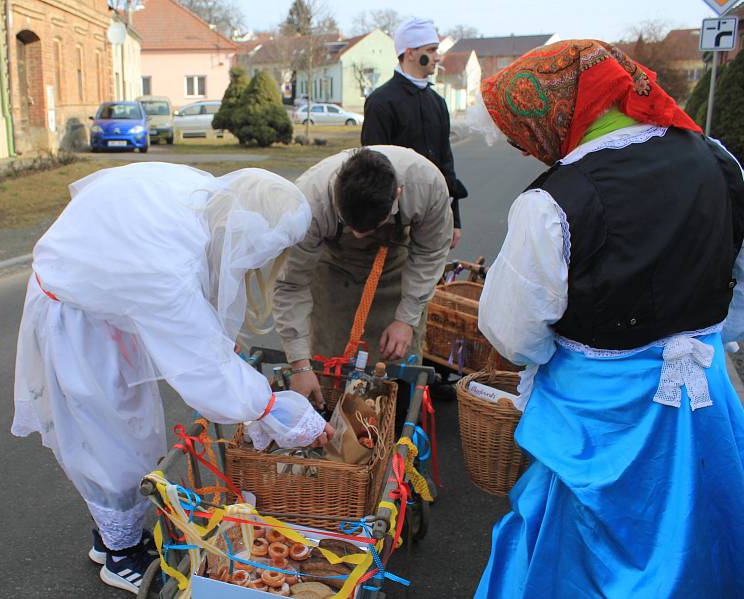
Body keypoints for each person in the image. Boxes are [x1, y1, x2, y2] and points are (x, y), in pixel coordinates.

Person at [472, 40, 744, 597]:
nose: (527, 149)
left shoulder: (553, 202)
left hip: (602, 418)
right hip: (702, 397)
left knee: (580, 556)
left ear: (554, 116)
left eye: (523, 133)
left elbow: (514, 330)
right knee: (700, 527)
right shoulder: (718, 159)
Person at [12, 162, 333, 594]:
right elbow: (201, 368)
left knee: (130, 425)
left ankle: (112, 536)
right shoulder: (165, 268)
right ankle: (119, 553)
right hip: (77, 317)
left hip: (99, 296)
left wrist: (224, 353)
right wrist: (273, 410)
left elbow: (195, 322)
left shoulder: (205, 196)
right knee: (108, 437)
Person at [273, 146, 453, 406]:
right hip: (335, 271)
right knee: (331, 361)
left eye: (369, 228)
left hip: (395, 269)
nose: (358, 236)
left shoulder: (426, 184)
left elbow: (430, 251)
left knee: (397, 367)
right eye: (351, 226)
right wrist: (300, 365)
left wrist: (406, 319)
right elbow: (290, 283)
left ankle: (395, 417)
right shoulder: (307, 204)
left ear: (397, 195)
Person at [361, 18, 467, 249]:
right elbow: (373, 168)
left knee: (430, 284)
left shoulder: (437, 103)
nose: (437, 57)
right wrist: (381, 223)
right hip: (394, 225)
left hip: (434, 217)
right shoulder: (381, 102)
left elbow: (447, 165)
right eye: (431, 50)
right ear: (409, 53)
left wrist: (454, 219)